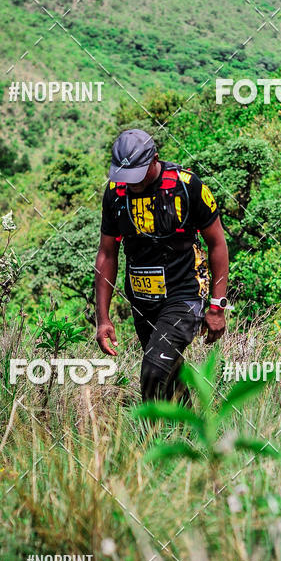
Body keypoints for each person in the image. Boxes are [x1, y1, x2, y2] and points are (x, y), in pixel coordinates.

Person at [95, 129, 229, 403]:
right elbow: (107, 254)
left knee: (154, 370)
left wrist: (217, 305)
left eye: (137, 176)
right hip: (143, 300)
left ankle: (148, 442)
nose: (130, 183)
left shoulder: (187, 187)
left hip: (185, 293)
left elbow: (217, 244)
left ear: (154, 160)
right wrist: (103, 318)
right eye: (125, 176)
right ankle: (191, 437)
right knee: (169, 378)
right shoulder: (114, 194)